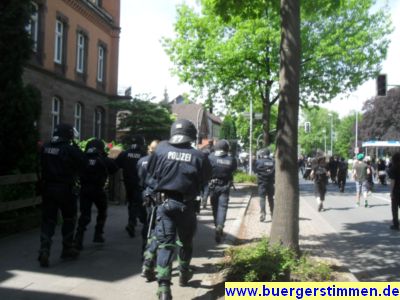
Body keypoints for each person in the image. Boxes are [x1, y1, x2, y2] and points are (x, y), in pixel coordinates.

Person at [146, 119, 211, 300]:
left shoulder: (161, 149)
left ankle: (164, 289)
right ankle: (183, 273)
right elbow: (205, 179)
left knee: (166, 245)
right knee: (185, 242)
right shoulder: (199, 156)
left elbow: (151, 173)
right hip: (187, 205)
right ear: (191, 136)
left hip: (164, 204)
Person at [38, 123, 87, 267]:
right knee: (69, 219)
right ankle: (67, 248)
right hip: (66, 189)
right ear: (68, 135)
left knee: (48, 220)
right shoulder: (70, 149)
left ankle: (44, 249)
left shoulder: (45, 147)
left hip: (48, 188)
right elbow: (84, 164)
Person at [74, 139, 118, 250]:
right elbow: (114, 169)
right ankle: (98, 234)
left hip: (84, 189)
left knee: (84, 215)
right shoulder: (103, 159)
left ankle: (78, 239)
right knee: (102, 211)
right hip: (98, 190)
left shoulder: (82, 158)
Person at [116, 135, 147, 238]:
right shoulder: (143, 154)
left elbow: (116, 165)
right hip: (140, 183)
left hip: (128, 182)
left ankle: (133, 222)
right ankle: (138, 222)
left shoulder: (125, 153)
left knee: (132, 202)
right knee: (139, 202)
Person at [137, 139, 160, 281]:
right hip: (158, 196)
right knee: (156, 229)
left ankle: (143, 252)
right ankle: (149, 258)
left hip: (145, 195)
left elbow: (140, 179)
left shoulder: (142, 161)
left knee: (147, 224)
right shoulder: (162, 161)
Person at [208, 139, 237, 242]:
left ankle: (217, 225)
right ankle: (220, 226)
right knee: (223, 207)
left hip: (212, 186)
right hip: (225, 186)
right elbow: (234, 169)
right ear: (226, 148)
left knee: (215, 208)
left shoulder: (210, 157)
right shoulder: (231, 159)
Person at [255, 148, 275, 222]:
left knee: (262, 198)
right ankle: (273, 214)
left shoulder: (258, 162)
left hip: (262, 183)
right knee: (271, 198)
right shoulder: (273, 161)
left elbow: (255, 170)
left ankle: (262, 214)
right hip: (270, 182)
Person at [387, 152, 400, 230]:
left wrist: (391, 192)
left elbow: (392, 181)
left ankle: (396, 224)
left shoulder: (393, 168)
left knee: (394, 209)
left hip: (396, 191)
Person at [200, 139, 214, 209]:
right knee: (206, 188)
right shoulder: (213, 149)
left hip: (200, 174)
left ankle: (203, 198)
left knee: (201, 188)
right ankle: (204, 198)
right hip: (207, 174)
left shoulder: (204, 148)